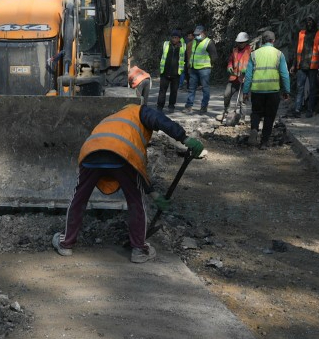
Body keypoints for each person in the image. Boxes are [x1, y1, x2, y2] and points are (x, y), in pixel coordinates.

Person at [53, 104, 204, 263]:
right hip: (122, 155)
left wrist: (153, 193)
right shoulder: (138, 110)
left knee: (79, 198)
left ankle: (65, 244)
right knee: (135, 201)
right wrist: (184, 138)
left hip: (90, 154)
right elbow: (159, 121)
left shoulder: (111, 119)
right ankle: (139, 249)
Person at [241, 30, 290, 147]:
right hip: (273, 91)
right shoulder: (279, 54)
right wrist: (287, 91)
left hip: (257, 90)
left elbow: (248, 75)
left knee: (256, 113)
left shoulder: (254, 54)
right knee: (269, 116)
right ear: (273, 41)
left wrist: (245, 91)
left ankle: (254, 129)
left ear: (262, 41)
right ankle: (264, 142)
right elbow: (284, 74)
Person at [290, 17, 319, 117]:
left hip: (313, 66)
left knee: (313, 89)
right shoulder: (301, 34)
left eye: (311, 21)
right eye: (307, 21)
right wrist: (294, 65)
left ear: (314, 23)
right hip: (302, 66)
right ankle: (297, 110)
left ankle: (310, 110)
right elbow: (297, 51)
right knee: (300, 88)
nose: (309, 23)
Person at [182, 24, 217, 114]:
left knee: (205, 88)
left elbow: (214, 57)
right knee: (191, 88)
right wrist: (190, 65)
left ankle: (204, 107)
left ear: (203, 33)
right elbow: (191, 54)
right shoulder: (194, 42)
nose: (197, 36)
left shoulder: (209, 42)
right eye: (196, 34)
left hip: (204, 69)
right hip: (193, 69)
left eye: (198, 34)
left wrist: (210, 65)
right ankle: (189, 106)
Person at [221, 31, 253, 124]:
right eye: (239, 42)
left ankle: (242, 118)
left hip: (244, 79)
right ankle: (226, 112)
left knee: (242, 100)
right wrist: (229, 67)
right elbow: (231, 61)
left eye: (242, 42)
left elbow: (253, 65)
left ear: (246, 41)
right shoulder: (234, 50)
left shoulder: (251, 52)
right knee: (226, 94)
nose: (240, 44)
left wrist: (246, 71)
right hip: (234, 77)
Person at [156, 29, 184, 110]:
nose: (174, 39)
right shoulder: (166, 44)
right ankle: (160, 106)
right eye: (173, 37)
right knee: (162, 91)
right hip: (165, 72)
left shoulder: (183, 47)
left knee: (174, 91)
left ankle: (171, 106)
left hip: (176, 73)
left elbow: (184, 58)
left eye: (176, 37)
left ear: (179, 38)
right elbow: (160, 56)